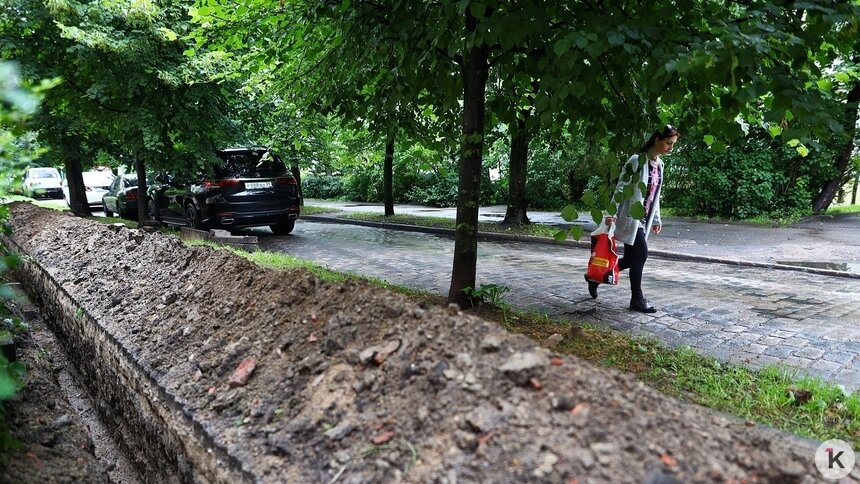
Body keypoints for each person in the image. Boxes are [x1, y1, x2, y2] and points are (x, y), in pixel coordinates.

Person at [586, 124, 680, 313]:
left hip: (644, 220)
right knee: (641, 254)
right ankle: (636, 299)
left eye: (673, 144)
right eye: (669, 143)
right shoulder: (637, 161)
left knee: (630, 259)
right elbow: (621, 188)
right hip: (630, 217)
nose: (671, 148)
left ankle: (595, 277)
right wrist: (611, 213)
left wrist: (656, 219)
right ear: (657, 140)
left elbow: (655, 194)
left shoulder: (660, 165)